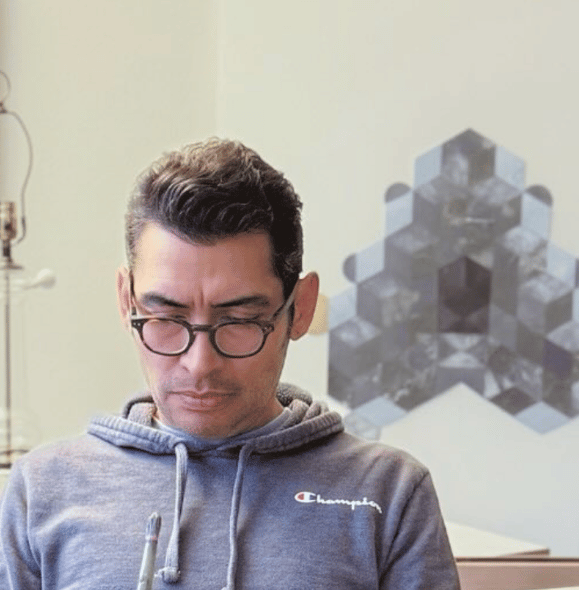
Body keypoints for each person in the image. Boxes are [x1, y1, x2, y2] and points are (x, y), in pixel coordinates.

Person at [0, 139, 460, 589]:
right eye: (166, 319)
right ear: (126, 302)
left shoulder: (389, 493)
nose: (199, 365)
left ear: (300, 308)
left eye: (239, 321)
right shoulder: (41, 491)